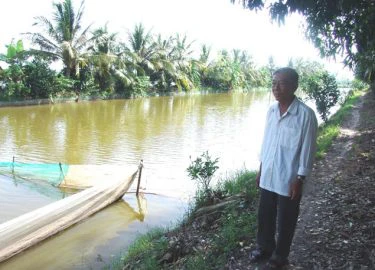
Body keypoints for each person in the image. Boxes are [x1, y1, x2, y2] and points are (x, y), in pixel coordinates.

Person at [250, 67, 318, 269]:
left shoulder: (305, 115)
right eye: (273, 83)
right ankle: (264, 247)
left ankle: (280, 256)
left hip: (289, 178)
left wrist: (300, 178)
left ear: (294, 86)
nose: (276, 88)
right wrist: (261, 169)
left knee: (286, 219)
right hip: (269, 174)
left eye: (282, 83)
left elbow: (308, 149)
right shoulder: (271, 111)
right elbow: (267, 142)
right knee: (265, 215)